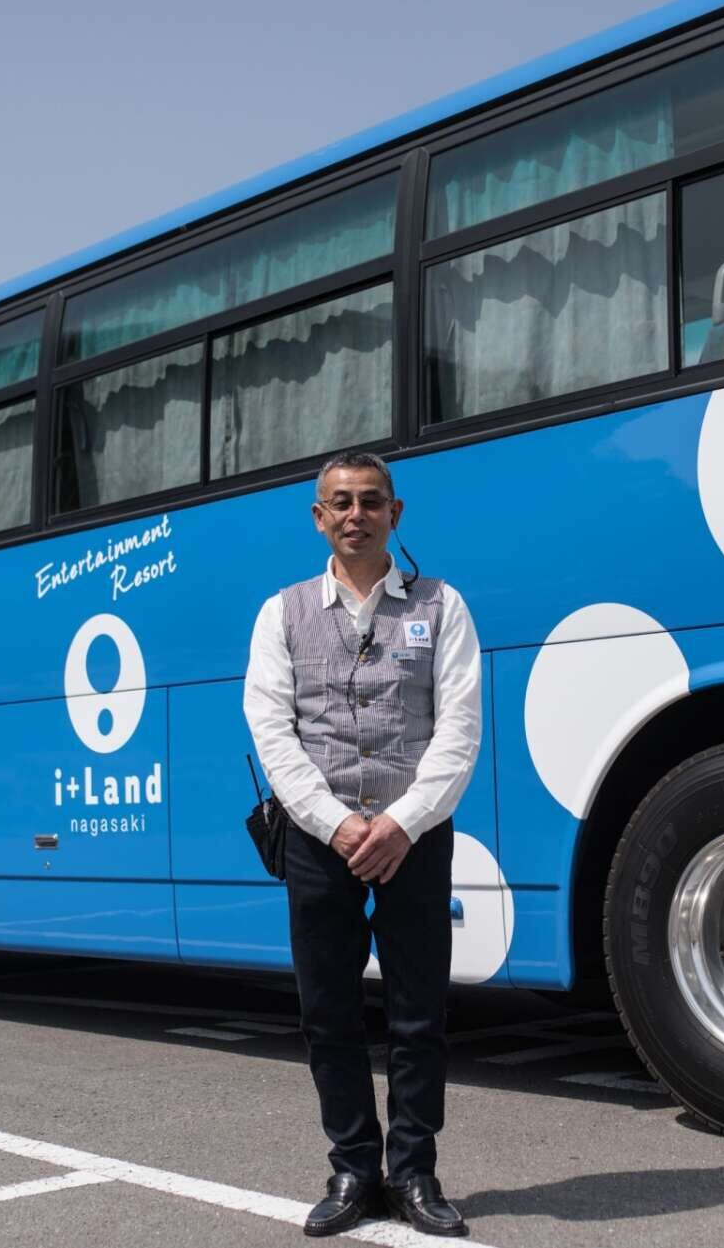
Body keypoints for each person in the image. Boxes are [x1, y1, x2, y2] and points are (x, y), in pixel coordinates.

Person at [243, 450, 483, 1238]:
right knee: (330, 1012)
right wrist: (337, 821)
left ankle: (413, 1171)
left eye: (370, 501)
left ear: (395, 513)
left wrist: (403, 821)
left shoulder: (444, 606)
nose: (355, 514)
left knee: (419, 1013)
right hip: (319, 839)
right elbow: (273, 733)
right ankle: (352, 1167)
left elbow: (459, 731)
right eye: (339, 502)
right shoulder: (281, 613)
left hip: (415, 835)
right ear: (319, 517)